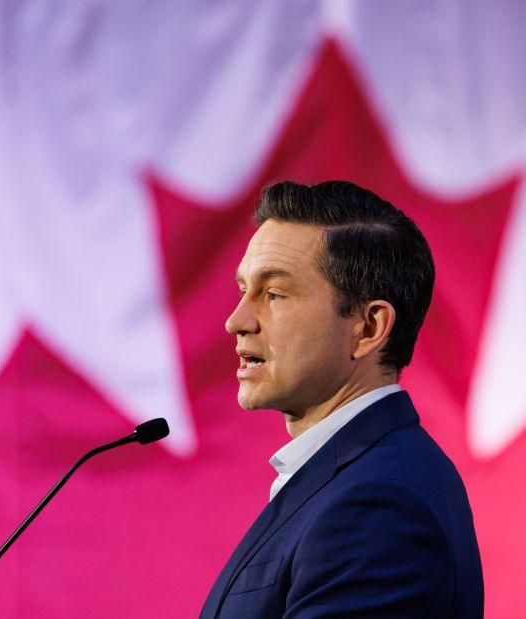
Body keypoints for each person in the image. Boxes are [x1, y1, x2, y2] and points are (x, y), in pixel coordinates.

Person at [199, 180, 483, 618]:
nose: (236, 321)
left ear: (368, 328)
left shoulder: (379, 505)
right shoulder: (350, 479)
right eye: (243, 291)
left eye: (274, 294)